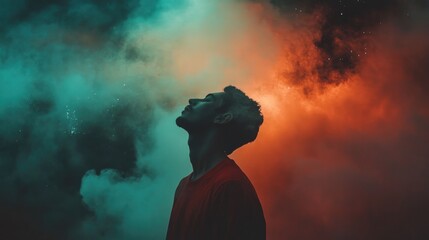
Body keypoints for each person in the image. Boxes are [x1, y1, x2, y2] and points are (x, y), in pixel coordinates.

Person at [166, 86, 266, 240]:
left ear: (222, 118)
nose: (192, 100)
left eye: (207, 100)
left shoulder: (231, 186)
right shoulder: (183, 185)